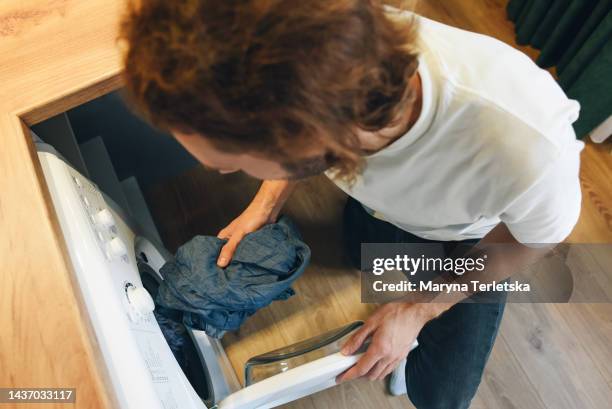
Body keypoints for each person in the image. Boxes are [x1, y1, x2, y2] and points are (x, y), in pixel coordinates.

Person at [120, 1, 583, 408]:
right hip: (380, 208)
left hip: (465, 243)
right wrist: (267, 200)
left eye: (232, 160)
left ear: (310, 135)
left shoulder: (525, 146)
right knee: (363, 250)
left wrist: (420, 308)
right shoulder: (323, 58)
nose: (222, 172)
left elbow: (536, 239)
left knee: (442, 396)